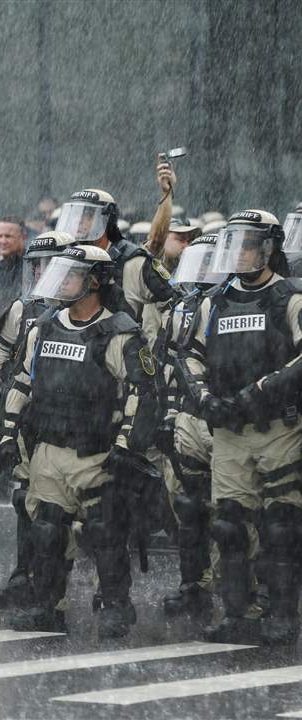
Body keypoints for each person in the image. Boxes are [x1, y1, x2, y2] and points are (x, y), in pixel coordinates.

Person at [0, 245, 159, 637]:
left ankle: (116, 605)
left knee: (105, 532)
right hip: (49, 449)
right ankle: (46, 604)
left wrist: (126, 446)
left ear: (94, 281)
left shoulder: (119, 332)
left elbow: (143, 391)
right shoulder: (44, 327)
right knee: (47, 531)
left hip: (96, 451)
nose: (62, 281)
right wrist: (6, 432)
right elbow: (23, 380)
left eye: (72, 274)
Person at [180, 210, 302, 645]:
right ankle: (238, 612)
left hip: (276, 426)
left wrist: (262, 390)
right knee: (229, 525)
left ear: (268, 247)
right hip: (227, 427)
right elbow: (188, 355)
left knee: (281, 525)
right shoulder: (215, 301)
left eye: (248, 244)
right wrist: (202, 397)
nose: (239, 252)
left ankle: (285, 613)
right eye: (234, 243)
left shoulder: (289, 297)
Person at [0, 230, 79, 611]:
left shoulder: (81, 312)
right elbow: (0, 347)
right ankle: (24, 574)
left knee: (60, 512)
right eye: (37, 265)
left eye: (49, 264)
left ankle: (57, 583)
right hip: (25, 420)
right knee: (25, 500)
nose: (41, 272)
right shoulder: (23, 310)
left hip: (67, 425)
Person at [155, 234, 227, 621]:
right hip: (185, 414)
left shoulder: (236, 303)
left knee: (232, 512)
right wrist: (165, 418)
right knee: (186, 505)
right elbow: (166, 366)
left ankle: (242, 588)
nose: (201, 273)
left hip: (225, 415)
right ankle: (193, 585)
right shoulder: (178, 308)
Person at [53, 188, 176, 344]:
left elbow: (172, 303)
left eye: (88, 215)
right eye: (76, 215)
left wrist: (152, 345)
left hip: (122, 356)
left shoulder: (133, 261)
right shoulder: (65, 260)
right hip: (81, 355)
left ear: (107, 219)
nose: (80, 221)